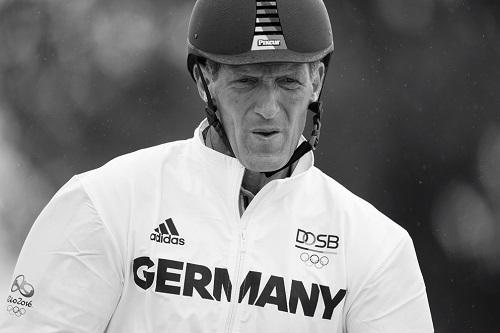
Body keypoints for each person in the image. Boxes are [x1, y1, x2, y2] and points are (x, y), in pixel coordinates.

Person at [0, 0, 433, 332]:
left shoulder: (377, 248)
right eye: (246, 82)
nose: (268, 108)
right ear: (205, 81)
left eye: (288, 81)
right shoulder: (104, 203)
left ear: (316, 81)